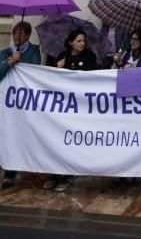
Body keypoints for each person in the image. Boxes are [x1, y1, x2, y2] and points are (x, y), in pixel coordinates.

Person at [44, 29, 97, 192]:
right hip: (62, 106)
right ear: (70, 42)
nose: (83, 43)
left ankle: (67, 176)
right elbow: (50, 78)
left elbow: (93, 78)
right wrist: (57, 68)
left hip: (79, 107)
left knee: (71, 141)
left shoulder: (90, 56)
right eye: (79, 41)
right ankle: (53, 175)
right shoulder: (61, 56)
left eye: (84, 41)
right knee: (57, 140)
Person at [0, 22, 41, 190]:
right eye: (14, 33)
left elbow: (36, 72)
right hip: (6, 102)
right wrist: (10, 61)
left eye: (20, 34)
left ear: (27, 36)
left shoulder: (33, 52)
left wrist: (22, 63)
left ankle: (11, 172)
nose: (16, 37)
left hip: (23, 103)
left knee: (17, 135)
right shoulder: (5, 53)